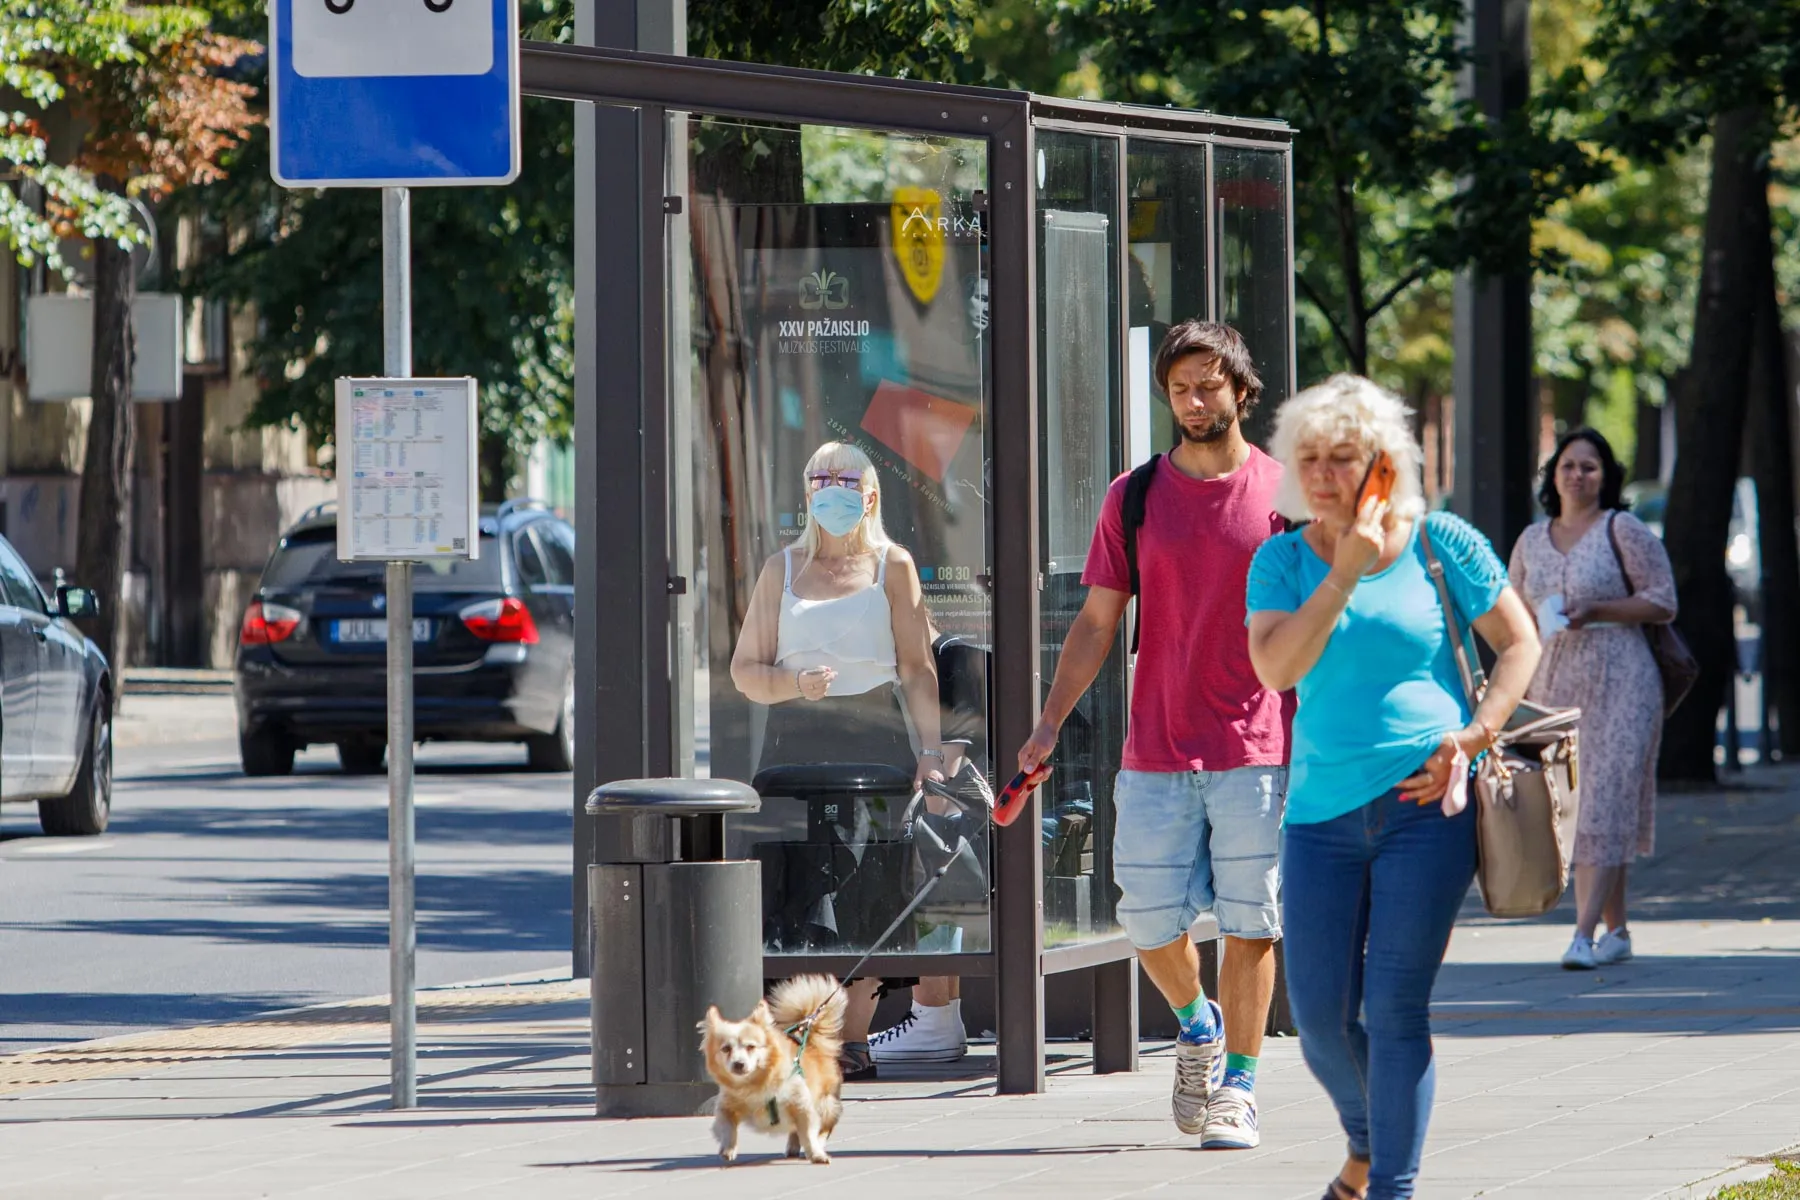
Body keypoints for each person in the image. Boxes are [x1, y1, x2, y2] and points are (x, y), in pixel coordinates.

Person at [1245, 374, 1541, 1200]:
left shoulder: (1444, 541)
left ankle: (1391, 1188)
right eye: (1309, 458)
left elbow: (1519, 644)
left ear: (1383, 465)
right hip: (1319, 818)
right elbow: (1276, 666)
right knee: (1321, 1025)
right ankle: (1369, 1146)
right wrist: (1344, 572)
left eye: (1343, 458)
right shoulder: (1280, 559)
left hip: (1426, 809)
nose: (1323, 475)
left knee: (1393, 1009)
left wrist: (1476, 735)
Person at [1017, 319, 1289, 1151]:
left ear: (1242, 391)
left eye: (1209, 385)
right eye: (1179, 388)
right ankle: (1196, 1025)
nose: (1194, 401)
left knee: (1251, 920)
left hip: (1256, 744)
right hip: (1158, 745)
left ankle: (1239, 1086)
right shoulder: (1133, 496)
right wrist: (1047, 721)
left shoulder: (1287, 493)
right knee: (1145, 919)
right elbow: (1099, 622)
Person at [729, 441, 957, 1079]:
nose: (833, 490)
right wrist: (791, 686)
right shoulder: (782, 569)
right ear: (806, 494)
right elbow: (746, 669)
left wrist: (931, 753)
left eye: (846, 479)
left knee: (869, 883)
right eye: (820, 479)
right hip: (794, 739)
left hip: (874, 738)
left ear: (871, 494)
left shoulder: (894, 565)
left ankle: (851, 1039)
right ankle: (803, 1034)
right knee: (795, 884)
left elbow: (917, 667)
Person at [1507, 428, 1676, 970]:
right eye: (1569, 466)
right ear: (1553, 476)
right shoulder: (1531, 541)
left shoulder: (1621, 529)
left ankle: (1581, 937)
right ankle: (1617, 931)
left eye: (1590, 466)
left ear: (1607, 477)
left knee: (1602, 805)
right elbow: (1514, 616)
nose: (1578, 475)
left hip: (1622, 681)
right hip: (1553, 685)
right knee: (1580, 809)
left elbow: (1662, 600)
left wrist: (1599, 609)